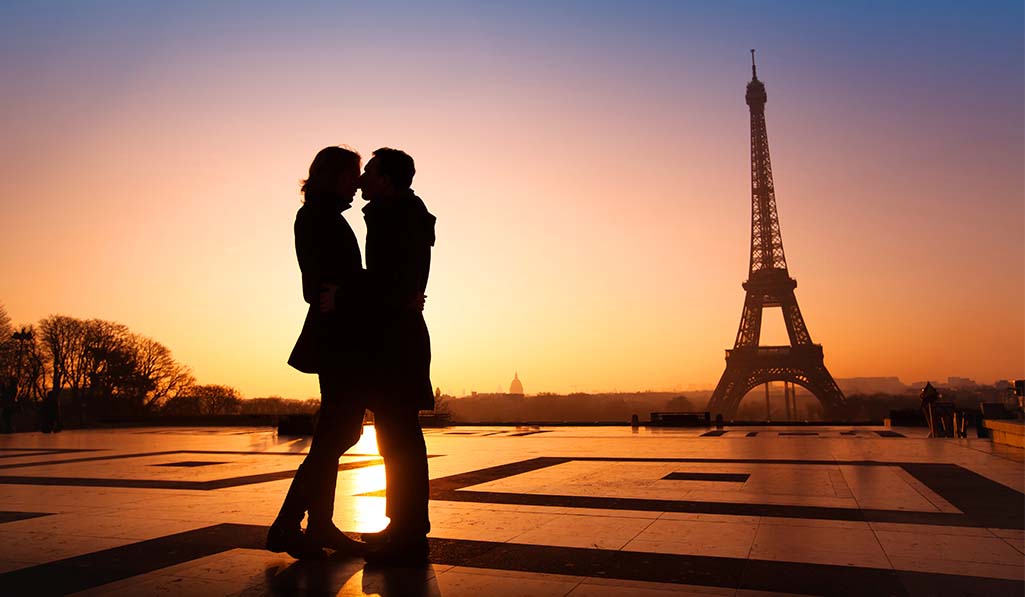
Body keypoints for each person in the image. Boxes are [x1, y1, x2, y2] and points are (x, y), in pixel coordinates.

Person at [267, 146, 369, 559]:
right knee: (338, 433)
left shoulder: (321, 215)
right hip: (339, 337)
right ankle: (292, 525)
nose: (357, 183)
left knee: (337, 433)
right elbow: (320, 281)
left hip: (338, 333)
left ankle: (311, 524)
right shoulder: (318, 217)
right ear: (333, 176)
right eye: (352, 174)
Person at [358, 148, 436, 564]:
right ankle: (402, 525)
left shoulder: (397, 216)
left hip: (395, 337)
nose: (362, 178)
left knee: (399, 437)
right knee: (395, 436)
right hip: (397, 333)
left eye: (369, 171)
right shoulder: (401, 213)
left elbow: (390, 281)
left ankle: (407, 532)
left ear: (386, 179)